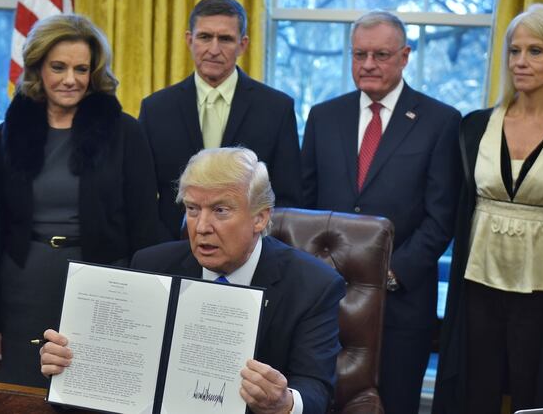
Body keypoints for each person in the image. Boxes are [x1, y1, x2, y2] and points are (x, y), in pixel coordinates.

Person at [40, 147, 345, 414]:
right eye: (193, 209)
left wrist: (284, 404)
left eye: (220, 210)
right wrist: (68, 368)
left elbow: (316, 389)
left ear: (260, 218)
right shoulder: (152, 265)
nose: (202, 227)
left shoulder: (313, 285)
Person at [433, 4, 543, 413]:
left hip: (542, 289)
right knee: (475, 390)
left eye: (535, 51)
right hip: (477, 282)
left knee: (534, 389)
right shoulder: (474, 127)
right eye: (514, 50)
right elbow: (461, 205)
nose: (520, 62)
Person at [0, 14, 159, 387]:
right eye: (58, 67)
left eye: (81, 69)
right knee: (18, 398)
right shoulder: (8, 134)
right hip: (22, 289)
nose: (70, 79)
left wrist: (145, 307)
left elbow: (145, 225)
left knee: (93, 396)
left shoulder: (124, 131)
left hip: (103, 287)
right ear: (38, 67)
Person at [301, 11, 461, 414]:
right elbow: (303, 202)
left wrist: (389, 273)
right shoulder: (323, 116)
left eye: (381, 54)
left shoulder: (440, 121)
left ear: (405, 56)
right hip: (328, 300)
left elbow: (442, 216)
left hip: (402, 304)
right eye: (359, 54)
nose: (368, 64)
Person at [139, 0, 301, 241]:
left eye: (225, 39)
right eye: (205, 37)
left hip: (250, 253)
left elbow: (287, 198)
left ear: (243, 44)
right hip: (172, 252)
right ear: (189, 39)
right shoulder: (156, 109)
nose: (214, 49)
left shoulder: (276, 108)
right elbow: (144, 198)